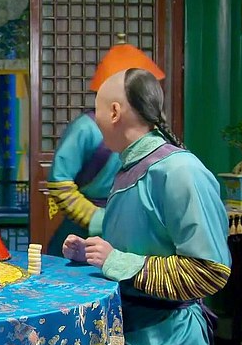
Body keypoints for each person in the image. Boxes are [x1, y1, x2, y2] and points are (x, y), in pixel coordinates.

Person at [63, 68, 230, 345]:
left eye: (96, 109)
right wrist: (92, 253)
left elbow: (210, 271)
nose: (94, 119)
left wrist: (116, 260)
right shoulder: (129, 167)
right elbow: (139, 244)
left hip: (166, 338)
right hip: (124, 326)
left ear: (114, 112)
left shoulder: (180, 171)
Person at [46, 39, 165, 256]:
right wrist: (97, 218)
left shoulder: (154, 130)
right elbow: (59, 182)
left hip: (135, 228)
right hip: (86, 227)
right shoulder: (85, 128)